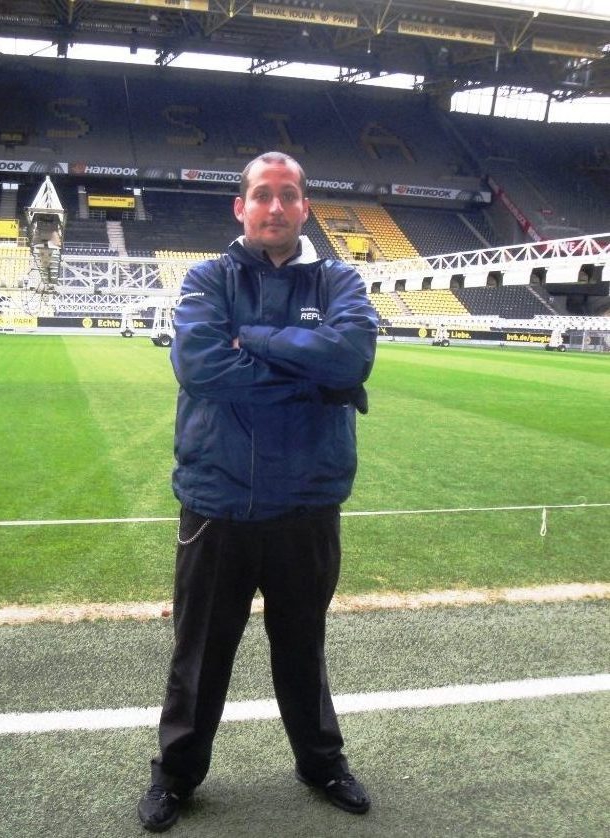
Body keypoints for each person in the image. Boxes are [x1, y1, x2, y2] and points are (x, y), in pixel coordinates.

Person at [138, 151, 379, 832]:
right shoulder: (208, 277)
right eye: (262, 195)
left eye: (289, 195)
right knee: (200, 652)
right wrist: (310, 372)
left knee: (303, 646)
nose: (276, 207)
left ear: (305, 207)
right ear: (240, 207)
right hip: (220, 503)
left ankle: (321, 763)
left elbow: (351, 357)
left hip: (307, 503)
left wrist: (257, 340)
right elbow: (202, 367)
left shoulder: (339, 279)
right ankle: (177, 775)